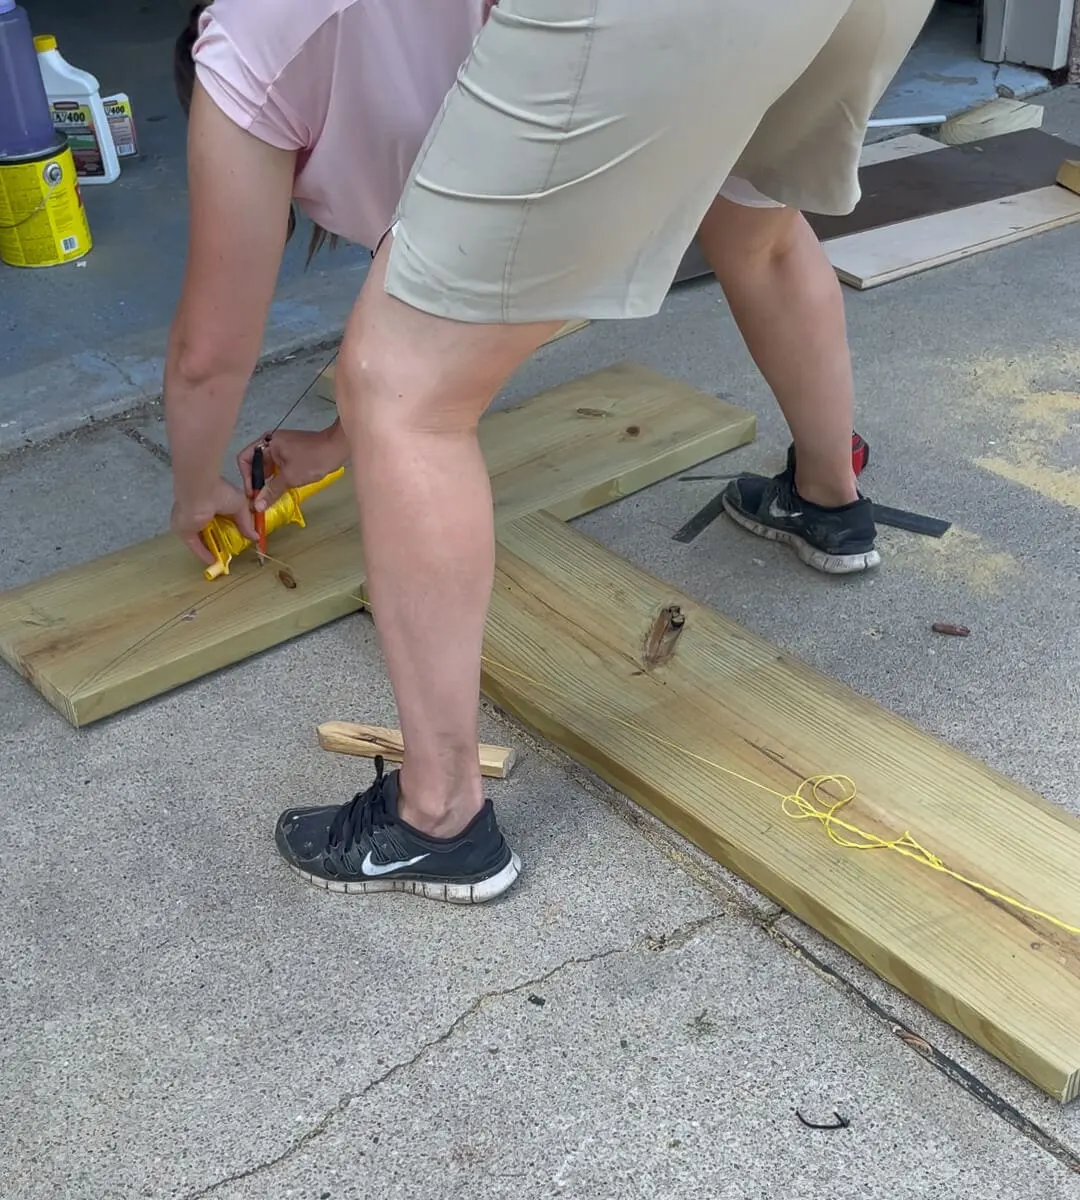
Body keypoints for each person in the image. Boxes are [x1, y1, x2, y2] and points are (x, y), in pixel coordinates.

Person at [166, 0, 933, 906]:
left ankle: (438, 815)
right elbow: (532, 279)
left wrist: (195, 486)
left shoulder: (245, 47)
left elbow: (209, 356)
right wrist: (343, 437)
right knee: (755, 223)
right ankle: (830, 501)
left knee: (402, 389)